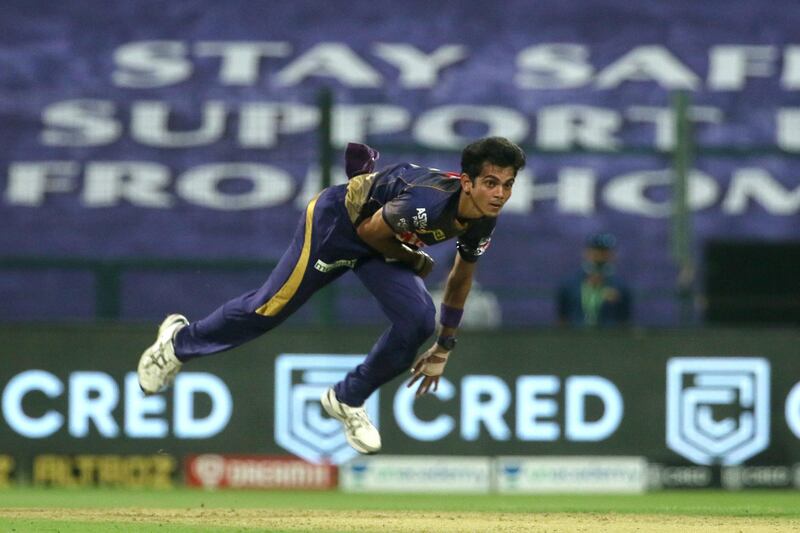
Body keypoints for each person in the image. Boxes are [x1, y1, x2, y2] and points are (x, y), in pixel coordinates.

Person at [137, 137, 526, 455]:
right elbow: (370, 233)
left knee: (419, 320)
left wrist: (444, 346)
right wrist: (412, 257)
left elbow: (461, 277)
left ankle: (347, 398)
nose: (499, 194)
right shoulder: (426, 203)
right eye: (491, 183)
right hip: (339, 226)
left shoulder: (483, 218)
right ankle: (176, 344)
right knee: (268, 309)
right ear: (467, 182)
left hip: (382, 239)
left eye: (507, 185)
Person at [556, 233, 632, 327]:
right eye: (597, 252)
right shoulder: (569, 284)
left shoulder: (620, 287)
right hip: (576, 337)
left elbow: (624, 320)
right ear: (586, 253)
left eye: (605, 253)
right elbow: (563, 317)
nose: (601, 257)